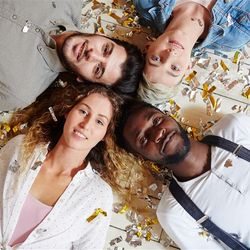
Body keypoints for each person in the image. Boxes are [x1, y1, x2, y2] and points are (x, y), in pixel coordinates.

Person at [0, 84, 124, 249]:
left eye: (99, 122)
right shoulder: (20, 148)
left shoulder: (97, 196)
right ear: (68, 111)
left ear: (105, 135)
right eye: (83, 112)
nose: (86, 125)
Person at [115, 98, 250, 248]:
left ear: (169, 116)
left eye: (157, 120)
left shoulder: (235, 129)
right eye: (144, 139)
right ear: (143, 157)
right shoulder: (174, 214)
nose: (158, 133)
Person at [0, 0, 144, 110]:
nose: (92, 54)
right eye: (105, 49)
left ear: (82, 79)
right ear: (102, 35)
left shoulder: (19, 92)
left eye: (98, 69)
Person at [133, 0, 250, 104]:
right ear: (188, 67)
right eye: (174, 68)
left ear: (148, 47)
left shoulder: (148, 4)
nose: (170, 54)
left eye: (156, 59)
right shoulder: (234, 36)